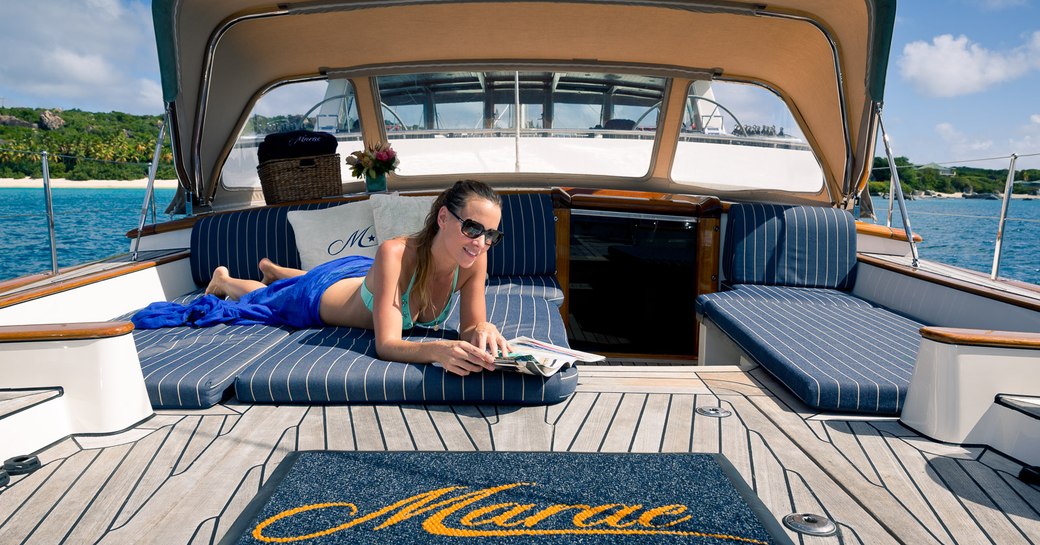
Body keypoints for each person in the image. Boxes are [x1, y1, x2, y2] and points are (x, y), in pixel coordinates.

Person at [134, 180, 510, 377]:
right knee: (268, 301)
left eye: (491, 235)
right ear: (444, 218)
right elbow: (388, 345)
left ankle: (275, 271)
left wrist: (481, 329)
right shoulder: (396, 253)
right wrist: (437, 351)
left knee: (291, 280)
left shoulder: (474, 262)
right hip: (319, 298)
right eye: (473, 228)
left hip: (356, 277)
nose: (481, 242)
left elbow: (470, 327)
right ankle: (228, 281)